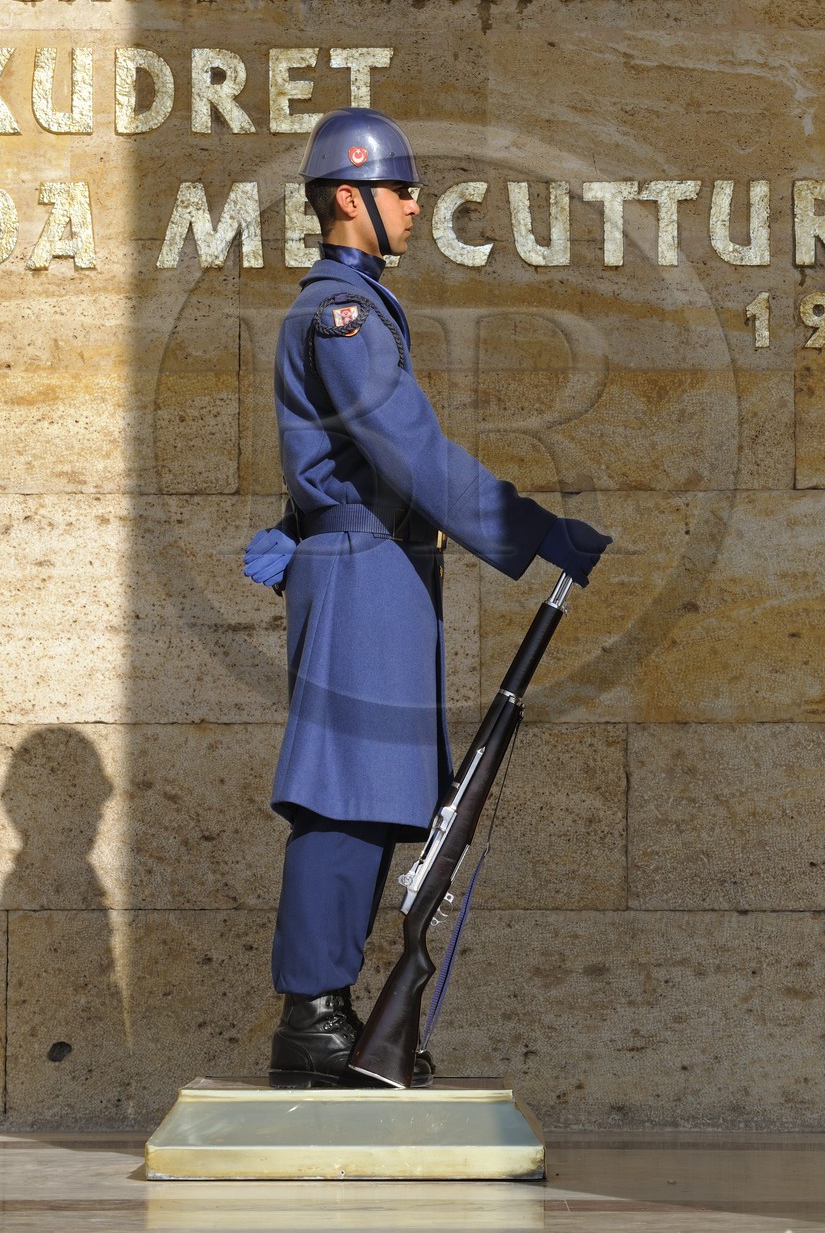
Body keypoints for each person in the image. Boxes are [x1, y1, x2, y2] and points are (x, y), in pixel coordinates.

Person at [243, 107, 610, 1086]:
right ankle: (312, 1011)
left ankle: (325, 1006)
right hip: (365, 573)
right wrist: (530, 531)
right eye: (401, 190)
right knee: (343, 797)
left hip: (380, 572)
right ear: (352, 200)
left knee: (370, 800)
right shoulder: (341, 313)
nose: (415, 205)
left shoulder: (353, 307)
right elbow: (406, 447)